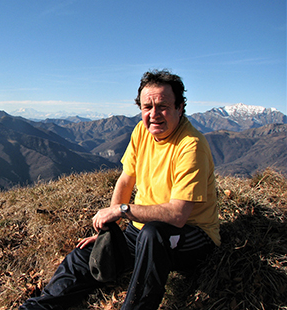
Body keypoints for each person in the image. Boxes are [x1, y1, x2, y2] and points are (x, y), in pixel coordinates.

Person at [19, 69, 220, 310]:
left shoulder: (191, 146)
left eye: (163, 106)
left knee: (153, 235)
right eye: (147, 107)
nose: (154, 114)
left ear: (180, 107)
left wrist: (121, 211)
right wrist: (109, 234)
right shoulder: (141, 132)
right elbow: (126, 180)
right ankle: (39, 307)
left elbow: (178, 216)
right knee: (84, 255)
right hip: (142, 232)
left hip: (191, 237)